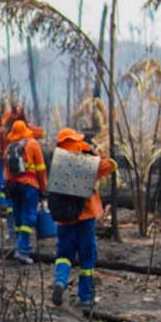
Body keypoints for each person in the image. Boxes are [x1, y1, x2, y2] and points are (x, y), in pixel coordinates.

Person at [51, 128, 116, 307]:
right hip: (85, 215)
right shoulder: (83, 151)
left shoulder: (59, 156)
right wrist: (105, 157)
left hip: (63, 218)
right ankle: (86, 297)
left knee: (64, 254)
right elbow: (107, 166)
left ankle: (60, 281)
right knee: (87, 257)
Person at [3, 120, 48, 265]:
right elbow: (40, 169)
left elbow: (6, 171)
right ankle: (22, 251)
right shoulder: (33, 144)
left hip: (13, 185)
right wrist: (43, 188)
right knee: (29, 216)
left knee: (18, 217)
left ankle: (21, 246)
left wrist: (7, 186)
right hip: (29, 185)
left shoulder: (9, 147)